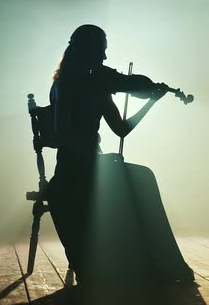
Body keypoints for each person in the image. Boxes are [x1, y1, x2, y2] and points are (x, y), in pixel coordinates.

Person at [47, 24, 179, 285]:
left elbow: (120, 129)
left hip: (94, 163)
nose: (105, 59)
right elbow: (63, 132)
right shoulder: (65, 84)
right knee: (138, 180)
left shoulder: (98, 85)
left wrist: (151, 102)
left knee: (144, 177)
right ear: (86, 51)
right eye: (100, 51)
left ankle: (150, 261)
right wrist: (95, 159)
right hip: (73, 168)